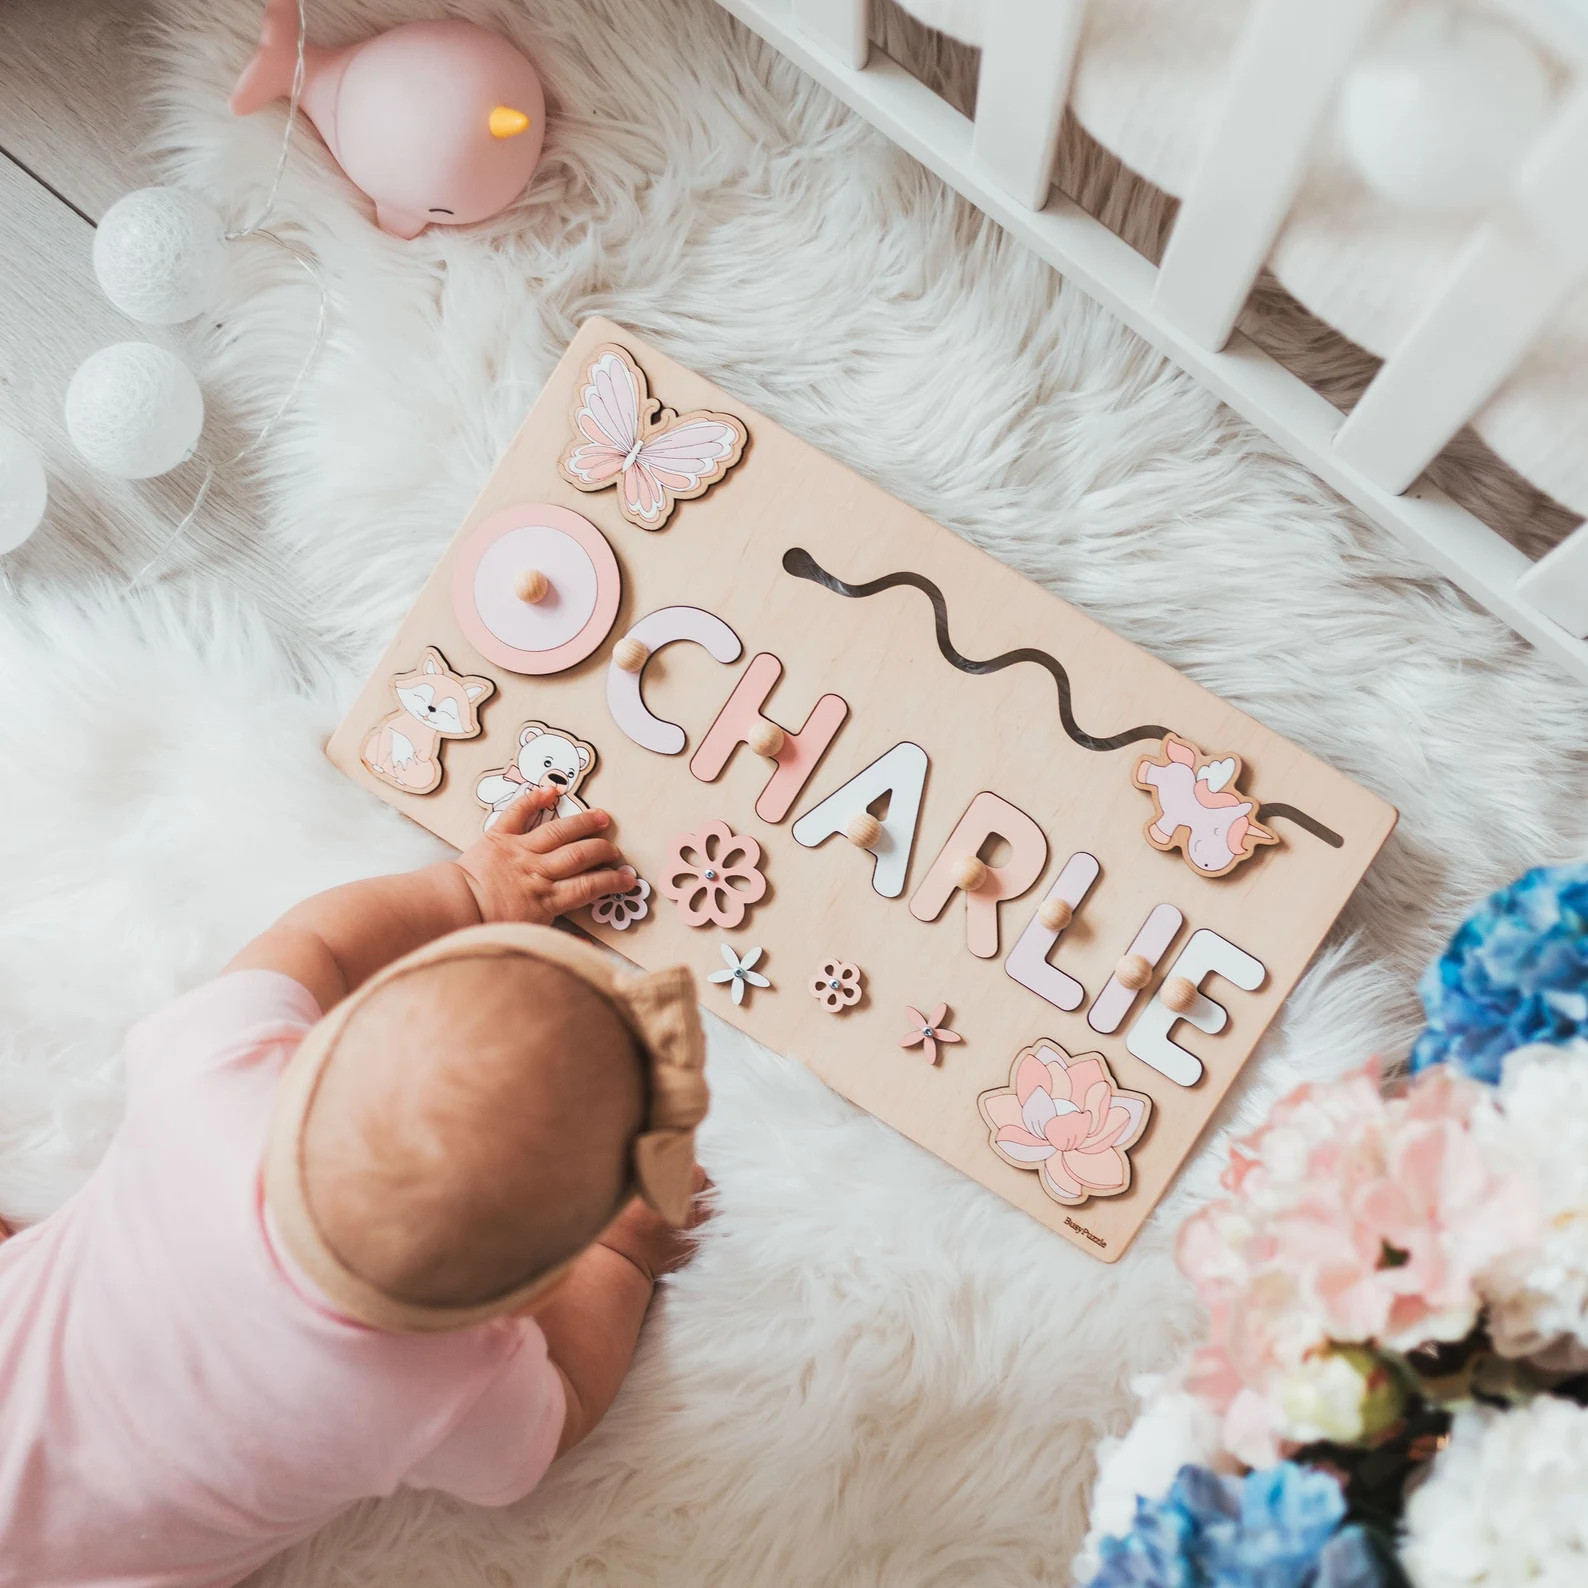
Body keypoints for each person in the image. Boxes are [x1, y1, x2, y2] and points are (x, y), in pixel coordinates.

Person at [0, 783, 711, 1587]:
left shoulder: (212, 1077)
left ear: (317, 1039)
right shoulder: (453, 1387)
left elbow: (317, 944)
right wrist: (625, 1255)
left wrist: (473, 892)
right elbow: (566, 1405)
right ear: (536, 1286)